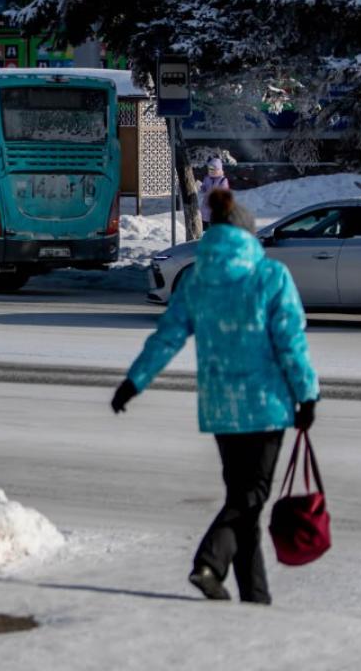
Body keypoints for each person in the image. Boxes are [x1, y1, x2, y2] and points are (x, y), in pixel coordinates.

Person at [111, 187, 318, 605]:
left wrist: (134, 381)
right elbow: (291, 343)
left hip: (222, 410)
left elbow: (167, 336)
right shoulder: (270, 277)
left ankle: (255, 597)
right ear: (248, 235)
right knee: (250, 498)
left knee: (244, 504)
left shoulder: (199, 282)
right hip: (266, 410)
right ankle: (208, 563)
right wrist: (307, 395)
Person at [198, 158, 229, 225]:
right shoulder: (207, 178)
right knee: (205, 223)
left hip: (216, 206)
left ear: (218, 169)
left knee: (214, 224)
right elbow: (204, 187)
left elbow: (224, 193)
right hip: (206, 206)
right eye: (210, 169)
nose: (211, 171)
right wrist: (201, 188)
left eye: (213, 169)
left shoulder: (223, 180)